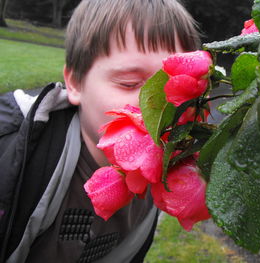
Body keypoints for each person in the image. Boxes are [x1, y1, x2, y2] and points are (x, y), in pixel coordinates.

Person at [0, 0, 200, 262]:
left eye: (173, 86)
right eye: (129, 83)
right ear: (75, 83)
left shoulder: (164, 174)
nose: (157, 105)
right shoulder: (14, 150)